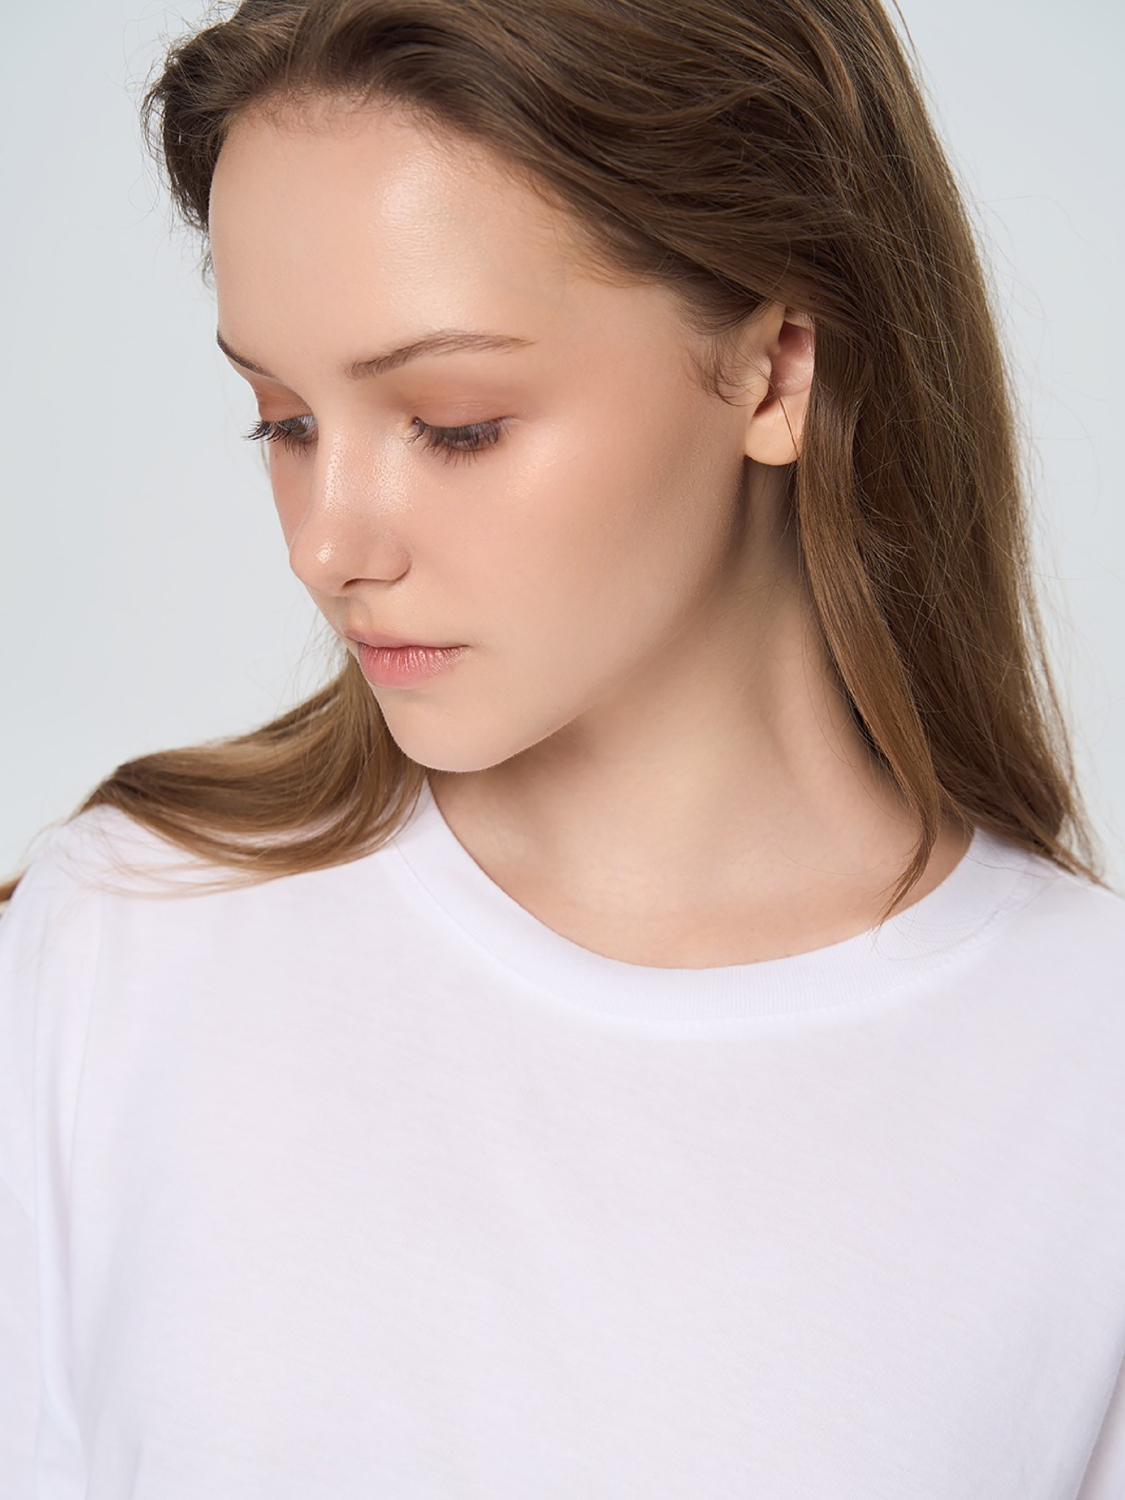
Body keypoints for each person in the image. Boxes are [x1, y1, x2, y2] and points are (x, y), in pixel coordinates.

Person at [2, 0, 1123, 1493]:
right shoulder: (117, 941)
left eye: (454, 423)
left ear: (776, 370)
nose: (328, 544)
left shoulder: (1085, 1077)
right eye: (282, 421)